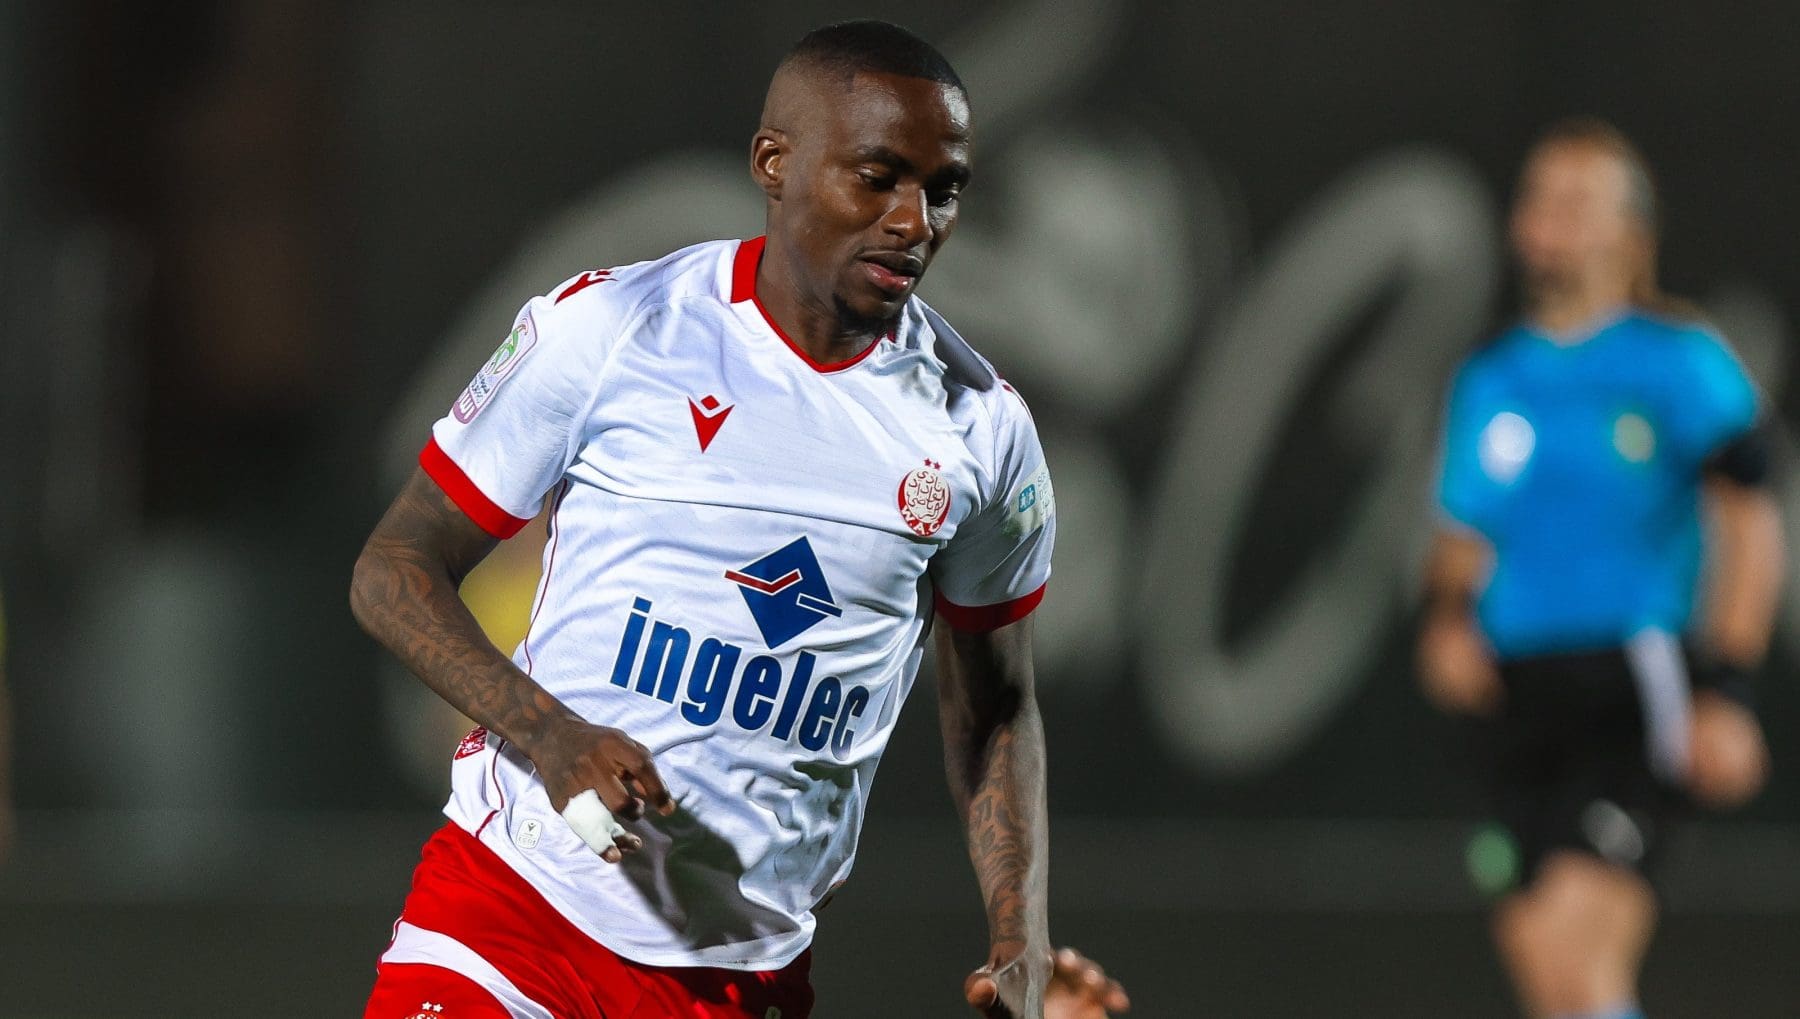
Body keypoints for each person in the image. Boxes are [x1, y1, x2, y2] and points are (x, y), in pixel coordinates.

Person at [351, 20, 1128, 1019]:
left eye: (943, 190)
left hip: (742, 973)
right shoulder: (616, 327)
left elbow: (996, 710)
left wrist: (1020, 937)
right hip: (510, 921)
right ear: (774, 163)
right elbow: (393, 566)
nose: (913, 220)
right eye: (878, 178)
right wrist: (547, 731)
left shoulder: (982, 428)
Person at [1418, 118, 1782, 1019]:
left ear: (1630, 229)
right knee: (1550, 978)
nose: (1553, 218)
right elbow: (1463, 533)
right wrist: (1448, 617)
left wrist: (1727, 686)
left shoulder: (1677, 359)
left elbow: (1751, 520)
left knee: (1578, 956)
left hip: (1626, 683)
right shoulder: (1493, 377)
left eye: (1579, 200)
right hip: (1517, 695)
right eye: (1541, 196)